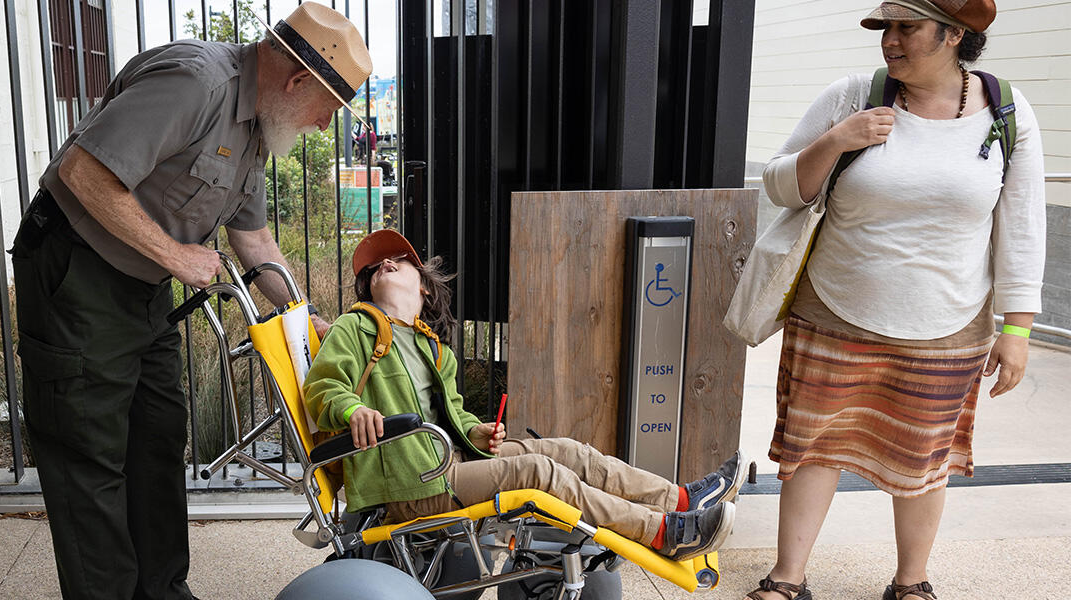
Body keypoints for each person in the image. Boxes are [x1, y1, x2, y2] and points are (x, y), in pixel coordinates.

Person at [9, 3, 371, 598]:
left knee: (157, 436)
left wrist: (306, 319)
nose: (323, 126)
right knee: (89, 452)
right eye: (327, 110)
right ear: (299, 80)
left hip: (143, 286)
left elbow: (252, 240)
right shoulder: (197, 83)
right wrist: (178, 257)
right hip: (76, 270)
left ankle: (163, 592)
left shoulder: (257, 126)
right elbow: (83, 171)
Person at [746, 2, 1045, 599]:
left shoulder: (1006, 113)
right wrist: (835, 141)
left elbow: (1022, 226)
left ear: (955, 34)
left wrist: (1017, 331)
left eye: (907, 27)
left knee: (926, 460)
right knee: (813, 450)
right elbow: (780, 185)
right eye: (886, 27)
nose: (890, 40)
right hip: (835, 308)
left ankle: (912, 583)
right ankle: (787, 580)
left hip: (949, 322)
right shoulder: (854, 95)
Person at [302, 229, 749, 562]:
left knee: (570, 452)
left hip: (450, 462)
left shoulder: (431, 348)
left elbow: (453, 414)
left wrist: (478, 431)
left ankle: (681, 501)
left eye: (397, 259)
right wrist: (353, 408)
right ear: (367, 288)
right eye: (374, 266)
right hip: (408, 484)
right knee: (539, 471)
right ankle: (661, 533)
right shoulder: (356, 327)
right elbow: (321, 389)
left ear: (422, 284)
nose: (385, 264)